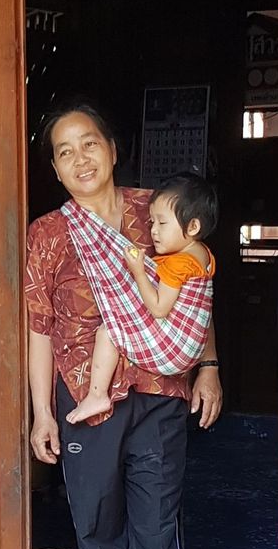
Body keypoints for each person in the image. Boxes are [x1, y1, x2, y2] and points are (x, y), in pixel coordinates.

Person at [25, 104, 222, 549]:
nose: (80, 159)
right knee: (96, 515)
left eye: (89, 144)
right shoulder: (48, 234)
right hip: (85, 397)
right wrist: (41, 412)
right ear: (55, 169)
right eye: (65, 152)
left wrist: (209, 367)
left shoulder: (156, 210)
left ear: (112, 149)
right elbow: (39, 329)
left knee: (155, 515)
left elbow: (197, 292)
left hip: (160, 388)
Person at [65, 171, 218, 425]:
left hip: (172, 349)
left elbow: (158, 308)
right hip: (192, 350)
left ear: (193, 226)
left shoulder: (178, 264)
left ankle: (97, 395)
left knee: (108, 331)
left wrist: (137, 271)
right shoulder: (203, 254)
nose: (154, 231)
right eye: (152, 223)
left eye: (162, 223)